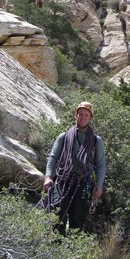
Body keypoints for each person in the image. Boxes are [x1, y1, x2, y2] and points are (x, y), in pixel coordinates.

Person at [43, 101, 105, 235]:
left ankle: (72, 250)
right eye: (80, 114)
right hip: (63, 180)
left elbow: (100, 165)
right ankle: (55, 246)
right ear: (76, 115)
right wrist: (48, 177)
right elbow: (53, 157)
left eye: (86, 115)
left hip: (83, 184)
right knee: (57, 215)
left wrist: (99, 185)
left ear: (90, 118)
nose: (83, 117)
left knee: (77, 218)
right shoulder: (64, 137)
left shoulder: (96, 141)